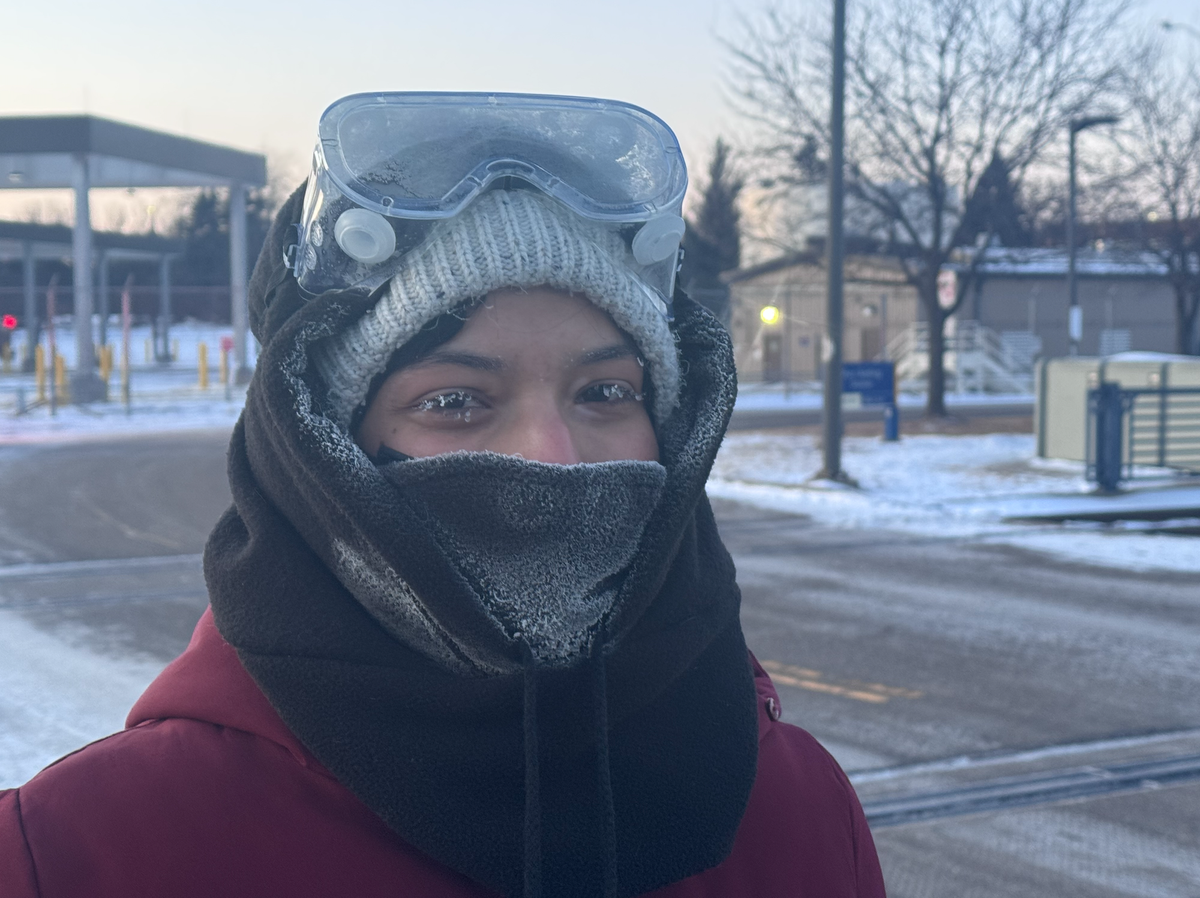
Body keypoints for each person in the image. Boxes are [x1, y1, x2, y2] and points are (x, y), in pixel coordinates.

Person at [0, 93, 885, 897]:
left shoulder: (799, 810)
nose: (552, 457)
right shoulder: (83, 854)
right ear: (321, 450)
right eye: (455, 400)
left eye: (606, 392)